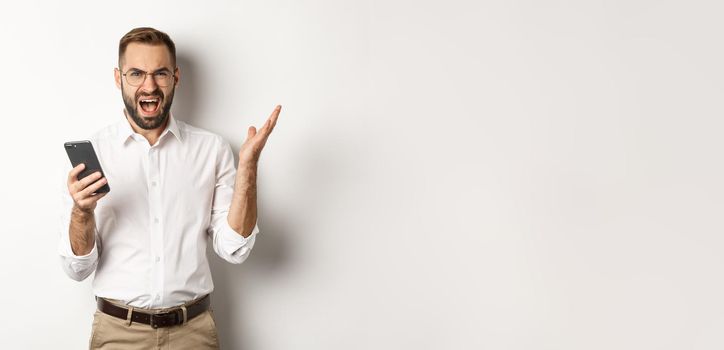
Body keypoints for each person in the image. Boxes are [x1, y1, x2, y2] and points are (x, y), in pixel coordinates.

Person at [58, 27, 281, 349]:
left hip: (193, 332)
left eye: (160, 73)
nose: (149, 86)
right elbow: (77, 269)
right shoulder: (94, 152)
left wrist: (248, 167)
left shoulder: (211, 149)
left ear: (175, 77)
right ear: (119, 78)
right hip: (118, 333)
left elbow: (234, 249)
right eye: (136, 73)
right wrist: (82, 211)